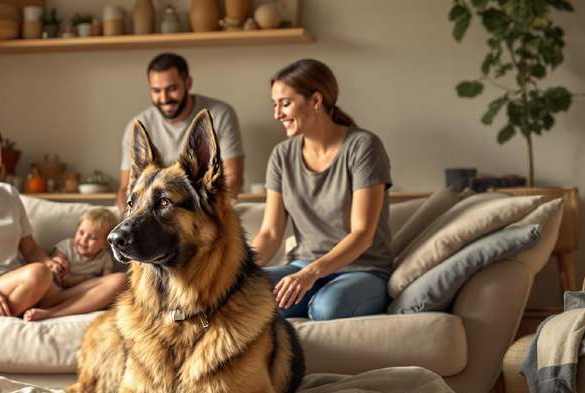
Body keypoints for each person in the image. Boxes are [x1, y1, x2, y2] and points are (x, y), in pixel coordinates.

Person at [0, 116, 126, 320]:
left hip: (26, 284)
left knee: (119, 280)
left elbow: (30, 249)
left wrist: (50, 263)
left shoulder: (9, 194)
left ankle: (48, 313)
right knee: (38, 273)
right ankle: (28, 302)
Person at [250, 59, 393, 321]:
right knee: (243, 293)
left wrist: (310, 274)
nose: (277, 114)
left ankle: (313, 300)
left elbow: (362, 235)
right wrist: (235, 272)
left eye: (285, 103)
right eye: (275, 105)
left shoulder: (364, 147)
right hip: (301, 266)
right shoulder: (281, 156)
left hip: (361, 270)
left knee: (327, 307)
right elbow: (270, 234)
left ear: (316, 101)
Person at [116, 53, 244, 211]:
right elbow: (126, 188)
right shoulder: (137, 125)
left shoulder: (220, 114)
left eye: (172, 89)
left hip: (208, 208)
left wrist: (205, 212)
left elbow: (233, 176)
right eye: (156, 90)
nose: (164, 98)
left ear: (188, 83)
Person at [26, 207, 125, 321]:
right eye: (81, 233)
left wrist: (82, 281)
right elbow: (54, 267)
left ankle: (51, 313)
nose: (83, 240)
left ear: (105, 245)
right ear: (76, 229)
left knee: (119, 279)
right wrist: (82, 276)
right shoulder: (67, 246)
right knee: (48, 278)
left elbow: (106, 282)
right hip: (57, 290)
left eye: (92, 237)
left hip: (79, 294)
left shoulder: (104, 258)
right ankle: (50, 310)